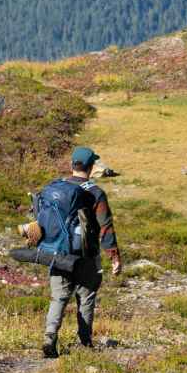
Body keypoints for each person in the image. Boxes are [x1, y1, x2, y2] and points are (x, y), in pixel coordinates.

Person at [41, 145, 122, 359]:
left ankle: (49, 337)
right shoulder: (95, 192)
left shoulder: (56, 188)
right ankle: (85, 342)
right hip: (87, 254)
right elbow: (105, 226)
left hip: (58, 252)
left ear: (72, 165)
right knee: (86, 297)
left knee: (58, 297)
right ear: (91, 166)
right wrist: (114, 256)